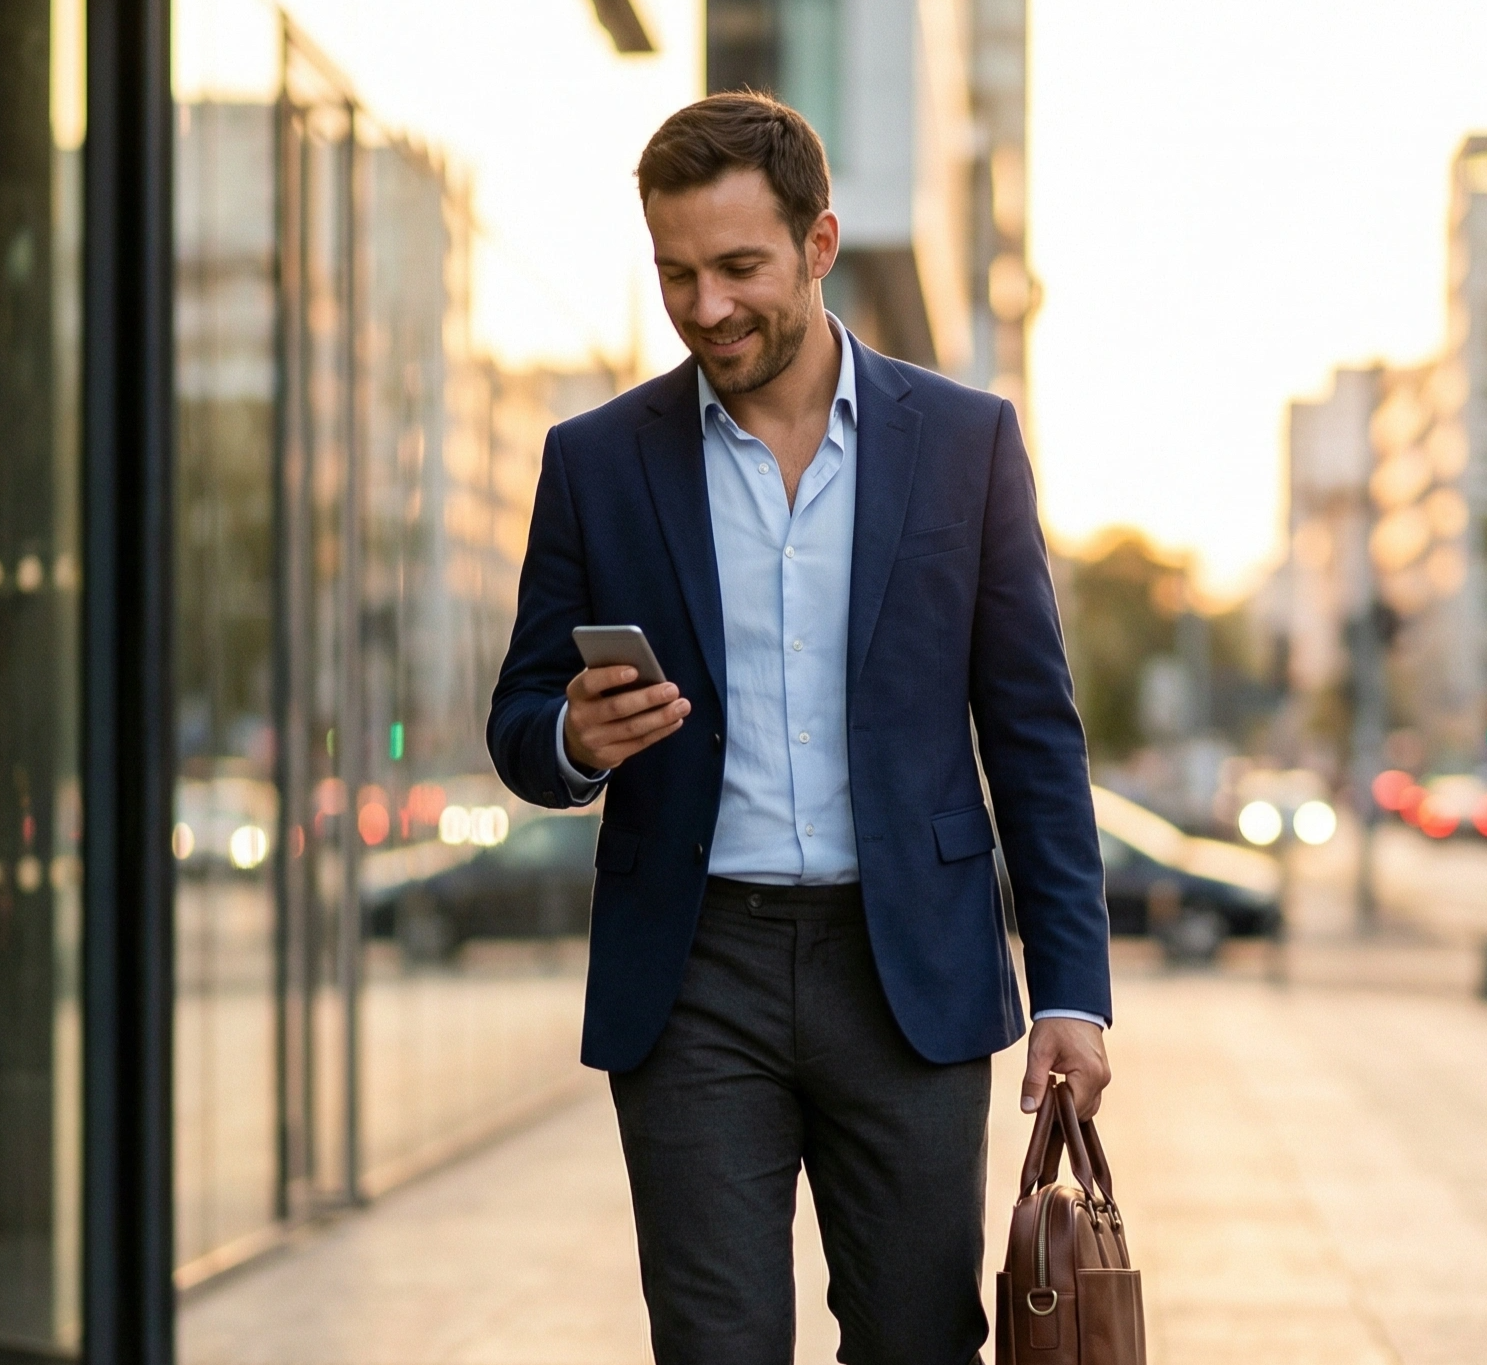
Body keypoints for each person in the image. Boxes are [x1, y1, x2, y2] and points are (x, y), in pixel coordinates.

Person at [487, 92, 1111, 1364]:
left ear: (818, 246)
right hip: (693, 974)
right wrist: (572, 741)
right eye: (674, 275)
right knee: (712, 1346)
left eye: (737, 269)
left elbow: (1032, 734)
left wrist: (1073, 993)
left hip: (909, 978)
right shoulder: (595, 462)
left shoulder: (964, 444)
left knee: (917, 1340)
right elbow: (518, 719)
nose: (705, 307)